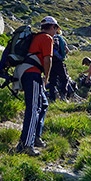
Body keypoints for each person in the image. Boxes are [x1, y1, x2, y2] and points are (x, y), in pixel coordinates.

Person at [16, 16, 58, 157]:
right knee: (33, 108)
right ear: (52, 27)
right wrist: (46, 78)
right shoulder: (47, 38)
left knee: (43, 104)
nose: (56, 32)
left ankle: (36, 137)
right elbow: (47, 59)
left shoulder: (36, 37)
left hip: (27, 73)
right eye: (55, 28)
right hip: (33, 74)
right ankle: (26, 145)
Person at [48, 28, 70, 102]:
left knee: (52, 80)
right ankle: (63, 96)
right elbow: (66, 50)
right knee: (64, 78)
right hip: (59, 62)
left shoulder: (49, 38)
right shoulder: (61, 39)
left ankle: (52, 98)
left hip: (51, 62)